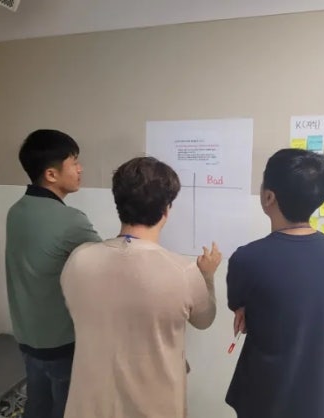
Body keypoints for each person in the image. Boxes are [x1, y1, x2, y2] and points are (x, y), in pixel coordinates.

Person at [60, 156, 220, 418]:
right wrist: (208, 276)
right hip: (154, 408)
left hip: (90, 405)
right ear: (166, 210)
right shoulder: (183, 271)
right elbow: (205, 319)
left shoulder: (79, 259)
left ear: (118, 203)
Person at [225, 148, 324, 418]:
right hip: (322, 397)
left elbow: (242, 313)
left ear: (268, 197)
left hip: (267, 399)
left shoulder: (248, 258)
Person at [5, 129, 102, 418]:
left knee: (37, 406)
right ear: (51, 174)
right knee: (68, 410)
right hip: (61, 342)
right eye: (74, 162)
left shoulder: (16, 211)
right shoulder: (70, 220)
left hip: (26, 337)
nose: (80, 169)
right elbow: (107, 265)